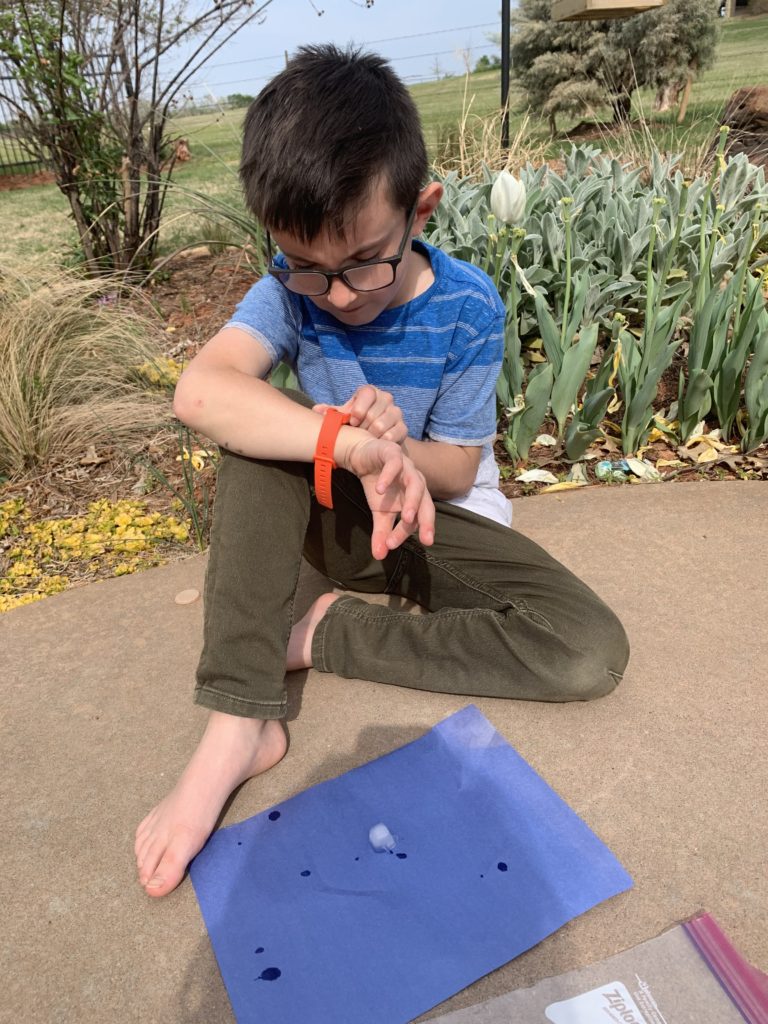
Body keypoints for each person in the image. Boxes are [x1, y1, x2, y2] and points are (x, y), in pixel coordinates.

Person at [135, 44, 630, 898]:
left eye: (364, 260)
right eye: (307, 266)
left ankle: (320, 635)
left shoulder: (466, 305)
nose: (337, 295)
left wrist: (398, 456)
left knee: (587, 649)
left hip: (427, 520)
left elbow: (459, 466)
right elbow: (201, 390)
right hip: (335, 513)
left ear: (420, 209)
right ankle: (238, 723)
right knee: (256, 424)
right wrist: (350, 443)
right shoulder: (286, 293)